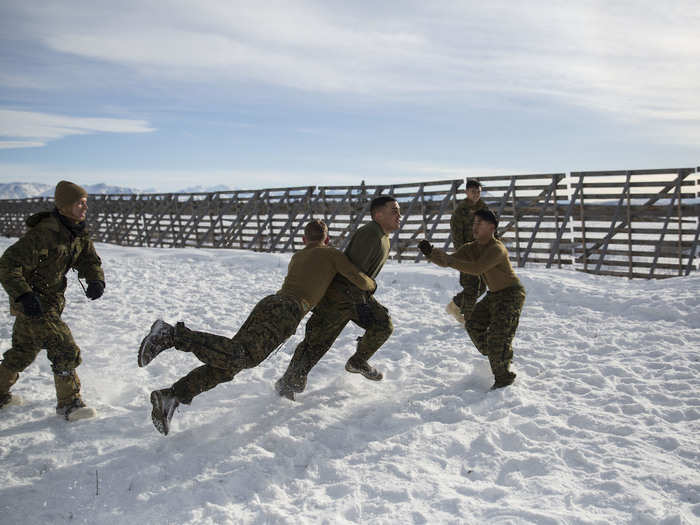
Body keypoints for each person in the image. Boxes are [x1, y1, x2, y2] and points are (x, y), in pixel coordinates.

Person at [138, 219, 376, 435]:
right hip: (288, 311)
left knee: (231, 362)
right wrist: (371, 283)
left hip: (270, 303)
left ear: (304, 240)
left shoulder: (299, 256)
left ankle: (172, 395)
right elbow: (359, 279)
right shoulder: (331, 254)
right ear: (327, 238)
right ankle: (172, 335)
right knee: (242, 357)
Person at [274, 195, 401, 401]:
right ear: (378, 214)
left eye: (399, 210)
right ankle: (287, 383)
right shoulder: (370, 234)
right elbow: (350, 272)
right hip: (339, 298)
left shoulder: (383, 237)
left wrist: (363, 298)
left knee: (383, 325)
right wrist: (359, 296)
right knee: (316, 343)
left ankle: (358, 361)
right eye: (394, 210)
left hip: (356, 297)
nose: (399, 215)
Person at [0, 181, 105, 420]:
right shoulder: (43, 233)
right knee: (64, 347)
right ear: (65, 206)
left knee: (23, 351)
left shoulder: (76, 231)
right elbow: (7, 265)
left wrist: (95, 280)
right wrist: (24, 295)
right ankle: (70, 404)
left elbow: (89, 260)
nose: (85, 207)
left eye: (85, 202)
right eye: (80, 202)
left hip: (51, 302)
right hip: (33, 303)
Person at [420, 209, 525, 390]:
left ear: (491, 227)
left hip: (511, 295)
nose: (474, 227)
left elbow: (477, 268)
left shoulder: (496, 248)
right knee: (473, 323)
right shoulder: (471, 248)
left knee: (498, 337)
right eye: (474, 223)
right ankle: (497, 352)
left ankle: (504, 379)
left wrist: (448, 260)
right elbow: (449, 261)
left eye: (479, 224)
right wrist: (431, 253)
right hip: (493, 295)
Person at [446, 179, 488, 325]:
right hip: (467, 255)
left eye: (478, 192)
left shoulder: (484, 208)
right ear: (466, 192)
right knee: (471, 286)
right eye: (473, 192)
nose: (476, 195)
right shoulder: (460, 211)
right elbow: (457, 236)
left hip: (483, 253)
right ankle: (469, 319)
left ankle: (455, 305)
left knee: (482, 286)